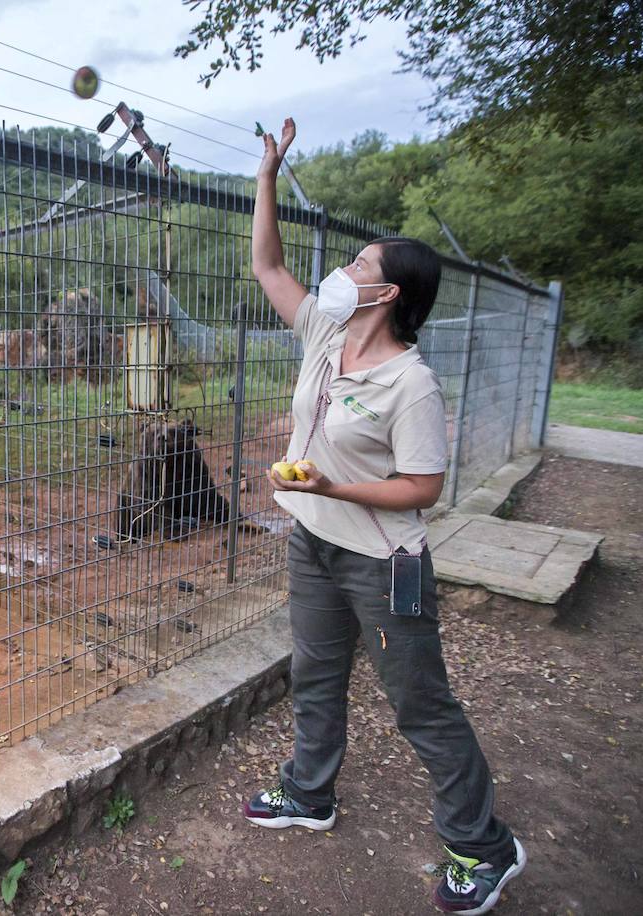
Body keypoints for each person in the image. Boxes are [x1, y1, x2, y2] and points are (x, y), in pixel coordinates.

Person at [242, 118, 526, 915]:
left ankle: (485, 846)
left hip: (382, 559)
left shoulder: (412, 383)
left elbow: (422, 487)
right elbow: (267, 265)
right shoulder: (326, 334)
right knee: (316, 675)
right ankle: (309, 792)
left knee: (419, 702)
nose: (342, 270)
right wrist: (269, 174)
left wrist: (331, 488)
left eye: (359, 264)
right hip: (315, 544)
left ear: (388, 290)